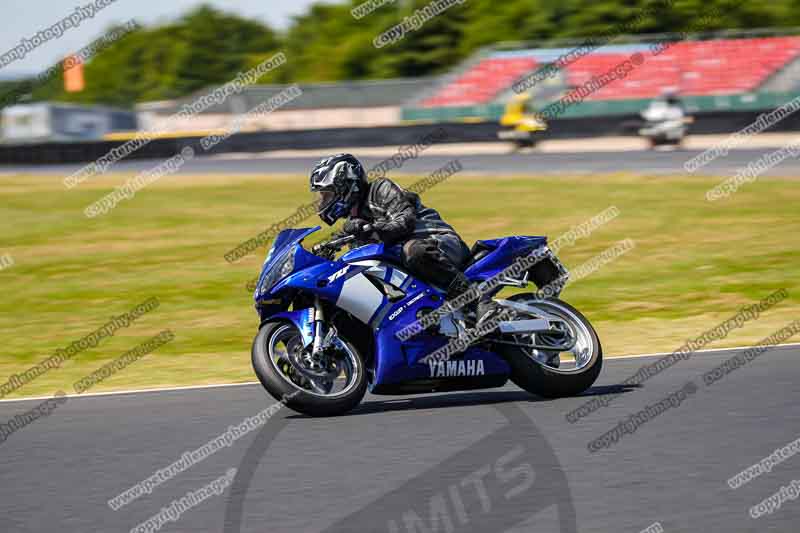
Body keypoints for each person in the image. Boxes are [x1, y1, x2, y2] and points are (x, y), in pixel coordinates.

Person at [309, 153, 493, 324]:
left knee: (413, 251)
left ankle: (477, 301)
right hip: (412, 260)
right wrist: (319, 251)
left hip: (439, 242)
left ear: (346, 185)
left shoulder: (380, 190)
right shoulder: (354, 221)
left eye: (328, 194)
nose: (324, 201)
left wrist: (373, 229)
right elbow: (336, 240)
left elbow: (405, 220)